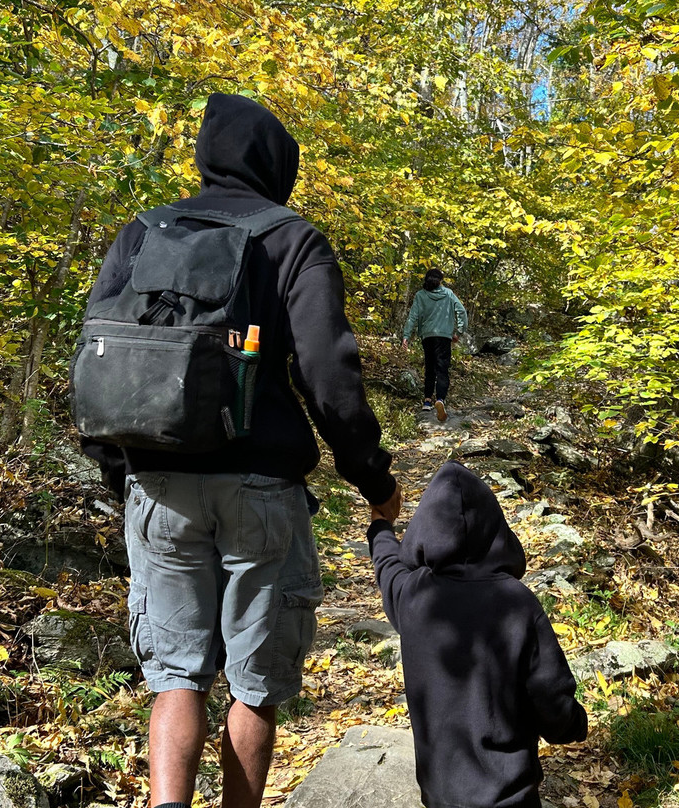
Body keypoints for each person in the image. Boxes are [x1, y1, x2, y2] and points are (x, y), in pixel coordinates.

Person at [79, 92, 402, 808]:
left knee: (175, 675)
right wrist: (372, 481)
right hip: (261, 485)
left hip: (156, 480)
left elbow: (99, 356)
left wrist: (120, 472)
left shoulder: (143, 231)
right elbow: (329, 375)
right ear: (277, 165)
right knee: (254, 682)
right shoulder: (292, 238)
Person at [367, 461, 587, 808]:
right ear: (496, 531)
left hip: (440, 797)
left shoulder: (414, 596)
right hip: (510, 797)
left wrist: (380, 526)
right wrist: (574, 724)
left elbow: (388, 566)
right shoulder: (516, 602)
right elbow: (550, 696)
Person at [401, 268, 467, 422]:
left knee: (430, 367)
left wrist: (406, 336)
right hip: (444, 336)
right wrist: (460, 331)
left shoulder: (420, 295)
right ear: (440, 280)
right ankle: (441, 399)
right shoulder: (449, 294)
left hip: (427, 337)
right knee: (442, 368)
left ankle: (427, 401)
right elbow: (461, 311)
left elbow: (413, 317)